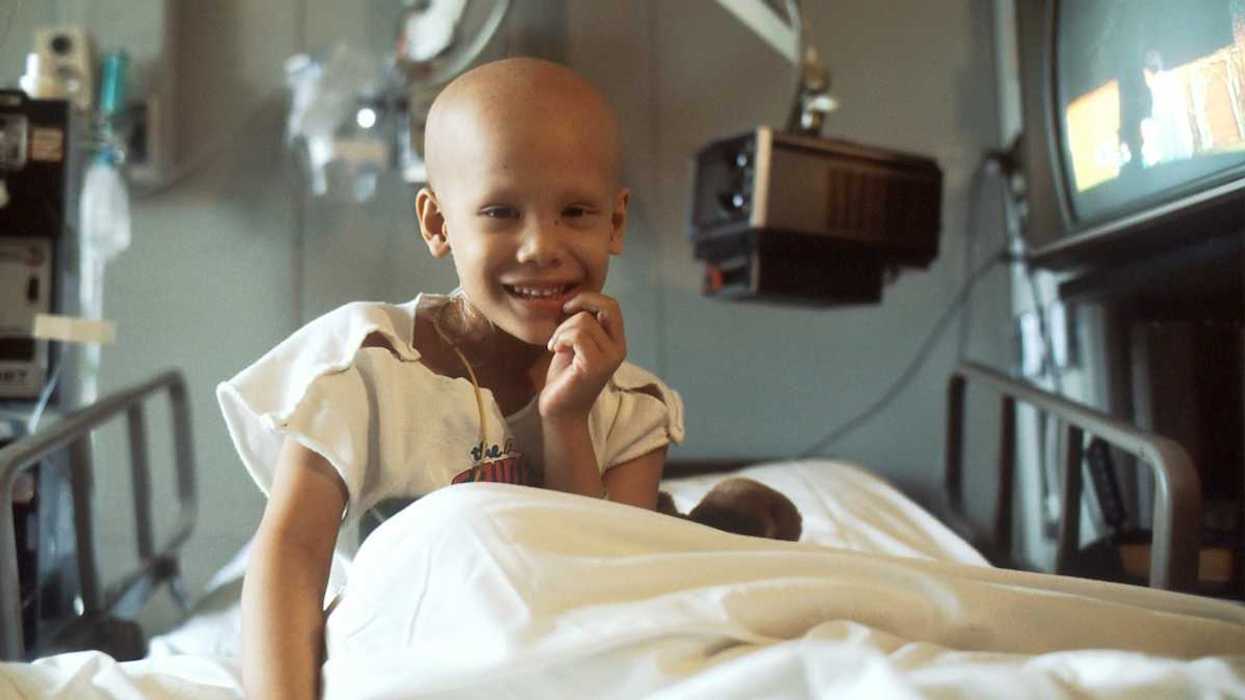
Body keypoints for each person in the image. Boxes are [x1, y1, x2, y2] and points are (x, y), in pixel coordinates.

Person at [216, 57, 685, 699]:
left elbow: (595, 594)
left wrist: (566, 419)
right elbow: (291, 556)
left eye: (575, 211)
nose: (540, 246)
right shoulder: (364, 366)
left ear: (616, 223)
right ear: (438, 223)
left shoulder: (632, 412)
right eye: (500, 212)